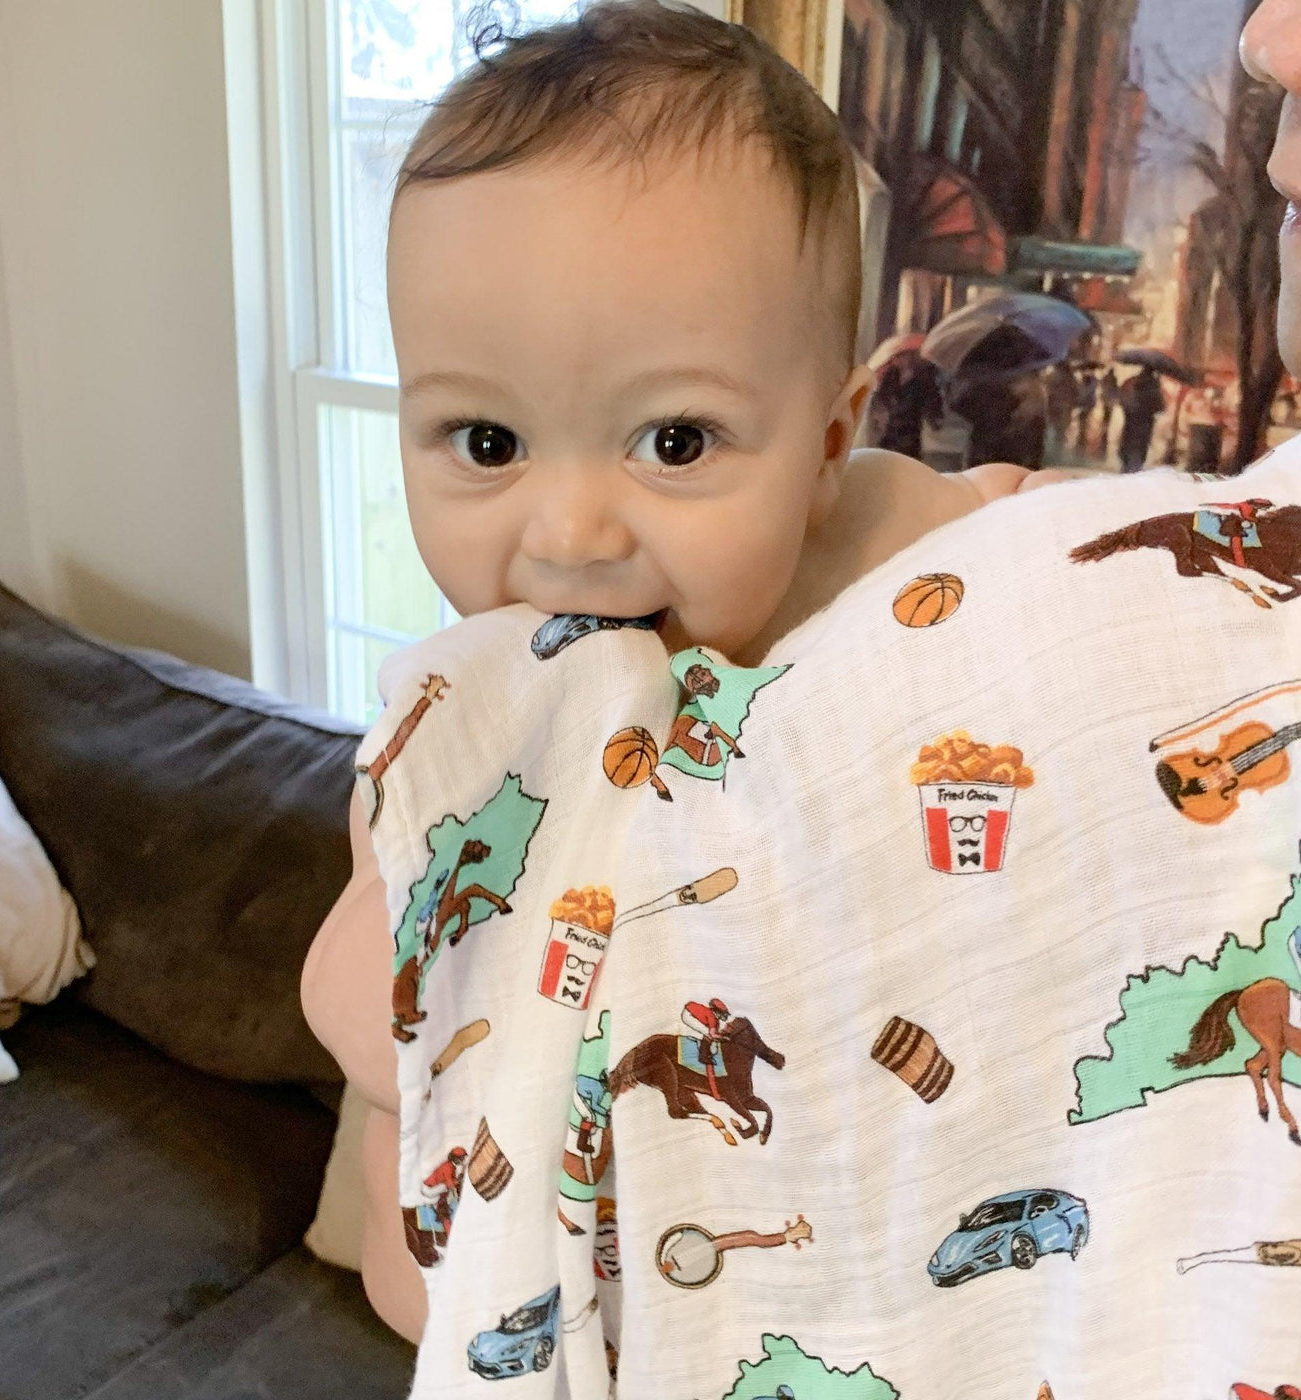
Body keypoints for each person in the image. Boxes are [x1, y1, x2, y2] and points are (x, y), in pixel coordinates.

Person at [299, 0, 1301, 1369]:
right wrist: (405, 950)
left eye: (674, 440)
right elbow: (383, 1041)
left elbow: (1043, 560)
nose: (569, 532)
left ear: (827, 442)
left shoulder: (880, 544)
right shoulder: (473, 729)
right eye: (485, 440)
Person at [1118, 366, 1168, 472]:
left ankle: (1126, 463)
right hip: (1146, 419)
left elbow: (1123, 397)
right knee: (1142, 443)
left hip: (1131, 416)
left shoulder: (1131, 381)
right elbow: (1159, 405)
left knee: (1128, 439)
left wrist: (1127, 410)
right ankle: (1136, 465)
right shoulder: (1154, 385)